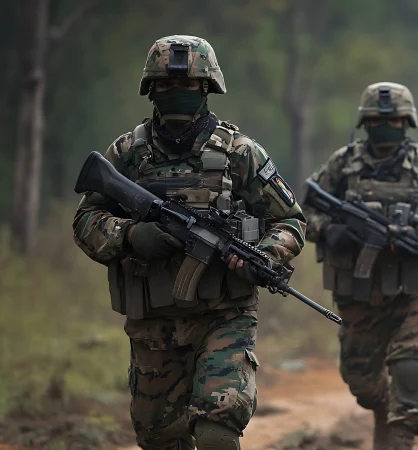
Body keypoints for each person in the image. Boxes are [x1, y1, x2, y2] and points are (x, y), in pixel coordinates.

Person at [72, 35, 306, 450]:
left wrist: (267, 254)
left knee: (217, 428)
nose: (175, 92)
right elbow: (86, 218)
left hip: (224, 316)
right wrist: (130, 234)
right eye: (164, 85)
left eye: (186, 85)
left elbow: (289, 220)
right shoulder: (127, 153)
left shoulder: (240, 153)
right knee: (160, 439)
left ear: (206, 88)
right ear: (151, 90)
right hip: (153, 322)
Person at [302, 82, 418, 450]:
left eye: (394, 120)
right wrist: (331, 230)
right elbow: (302, 213)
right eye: (379, 119)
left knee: (411, 369)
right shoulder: (341, 164)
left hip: (413, 294)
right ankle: (383, 409)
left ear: (407, 122)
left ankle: (399, 437)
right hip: (358, 295)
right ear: (365, 121)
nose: (387, 125)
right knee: (361, 383)